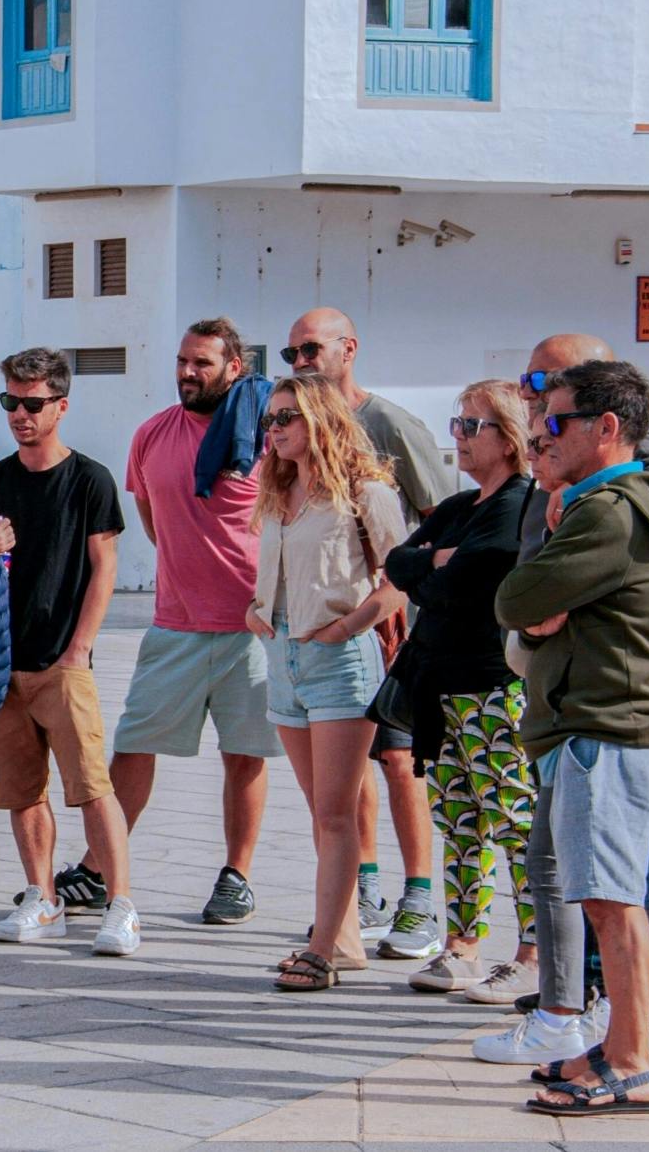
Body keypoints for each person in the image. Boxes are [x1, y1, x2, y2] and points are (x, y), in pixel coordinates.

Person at [474, 337, 649, 1066]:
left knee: (610, 901)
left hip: (602, 724)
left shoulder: (609, 511)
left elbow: (515, 597)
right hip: (593, 722)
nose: (543, 430)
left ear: (608, 428)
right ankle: (615, 1052)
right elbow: (531, 607)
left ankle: (628, 1062)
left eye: (559, 420)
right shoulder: (596, 505)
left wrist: (543, 575)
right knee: (608, 894)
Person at [60, 320, 277, 926]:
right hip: (174, 623)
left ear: (235, 367)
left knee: (244, 754)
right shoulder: (152, 434)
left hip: (251, 628)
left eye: (202, 363)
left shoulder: (264, 436)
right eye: (182, 361)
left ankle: (237, 875)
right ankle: (99, 871)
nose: (187, 372)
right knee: (133, 748)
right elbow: (152, 517)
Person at [284, 307, 454, 958]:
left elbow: (441, 520)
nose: (300, 362)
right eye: (291, 353)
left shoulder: (388, 423)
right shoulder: (298, 424)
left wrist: (409, 603)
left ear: (348, 349)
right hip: (332, 635)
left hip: (396, 624)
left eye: (310, 350)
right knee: (347, 767)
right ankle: (366, 891)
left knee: (400, 760)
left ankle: (418, 899)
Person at [0, 348, 137, 956]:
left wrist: (80, 649)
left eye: (32, 403)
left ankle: (121, 906)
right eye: (10, 401)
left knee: (91, 785)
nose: (19, 414)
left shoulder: (89, 479)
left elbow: (103, 564)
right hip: (0, 664)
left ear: (62, 404)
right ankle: (43, 898)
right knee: (20, 790)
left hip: (62, 661)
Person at [373, 381, 536, 998]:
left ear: (510, 437)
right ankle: (462, 945)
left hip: (491, 690)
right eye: (458, 423)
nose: (458, 437)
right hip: (439, 690)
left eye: (472, 426)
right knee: (460, 822)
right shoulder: (459, 507)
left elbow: (474, 577)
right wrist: (434, 563)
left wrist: (438, 566)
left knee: (514, 821)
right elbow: (398, 562)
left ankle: (530, 951)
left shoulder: (519, 503)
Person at [244, 376, 406, 991]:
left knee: (337, 814)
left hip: (339, 660)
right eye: (271, 419)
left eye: (288, 417)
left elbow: (401, 578)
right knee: (320, 812)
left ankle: (322, 949)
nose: (276, 428)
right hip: (282, 657)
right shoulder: (278, 489)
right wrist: (254, 612)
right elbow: (277, 575)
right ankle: (343, 940)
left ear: (320, 420)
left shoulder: (366, 492)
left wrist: (351, 625)